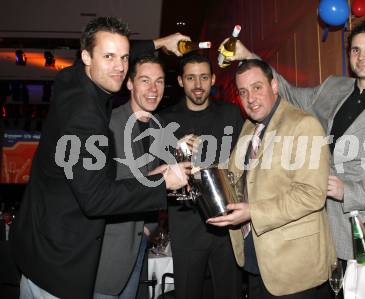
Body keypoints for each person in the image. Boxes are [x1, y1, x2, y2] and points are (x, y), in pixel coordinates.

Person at [10, 17, 191, 299]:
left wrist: (159, 43)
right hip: (60, 262)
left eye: (124, 57)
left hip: (36, 248)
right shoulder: (85, 118)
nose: (119, 67)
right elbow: (96, 199)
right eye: (109, 57)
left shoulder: (69, 80)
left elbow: (110, 54)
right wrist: (162, 181)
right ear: (85, 57)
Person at [224, 19, 365, 264]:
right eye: (355, 50)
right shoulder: (334, 87)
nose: (361, 57)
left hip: (364, 234)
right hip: (315, 228)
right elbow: (287, 93)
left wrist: (348, 192)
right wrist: (247, 55)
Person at [207, 59, 336, 298]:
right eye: (243, 92)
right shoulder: (249, 127)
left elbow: (311, 195)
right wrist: (196, 164)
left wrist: (252, 212)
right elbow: (232, 175)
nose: (251, 98)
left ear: (274, 86)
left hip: (295, 270)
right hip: (257, 264)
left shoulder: (303, 124)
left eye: (257, 87)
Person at [159, 54, 244, 299]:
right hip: (185, 225)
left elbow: (247, 165)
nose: (198, 84)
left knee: (230, 293)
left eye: (204, 77)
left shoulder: (231, 115)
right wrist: (175, 152)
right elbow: (154, 173)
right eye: (191, 77)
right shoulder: (165, 120)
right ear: (180, 81)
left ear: (213, 79)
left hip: (227, 224)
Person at [93, 55, 168, 299]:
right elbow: (98, 192)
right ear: (129, 84)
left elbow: (147, 179)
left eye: (159, 81)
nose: (153, 89)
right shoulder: (109, 123)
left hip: (139, 242)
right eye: (145, 80)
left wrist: (149, 228)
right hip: (108, 251)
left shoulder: (158, 128)